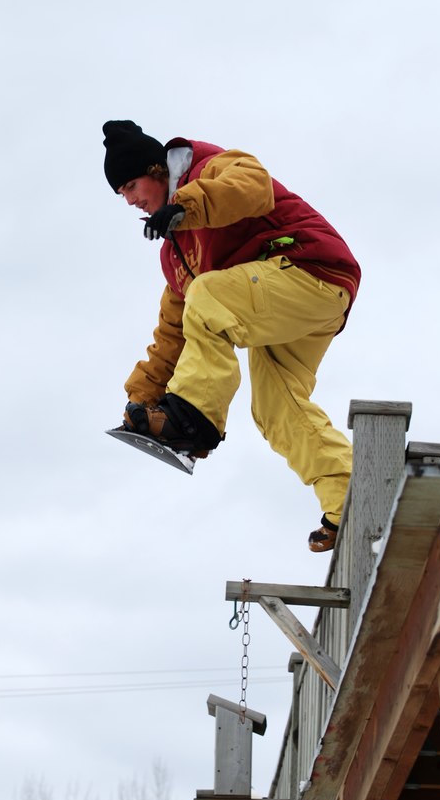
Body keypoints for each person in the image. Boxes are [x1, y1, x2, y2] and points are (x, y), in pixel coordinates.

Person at [102, 120, 361, 553]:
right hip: (285, 306)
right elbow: (173, 332)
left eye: (131, 185)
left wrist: (184, 204)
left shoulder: (209, 166)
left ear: (157, 169)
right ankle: (347, 495)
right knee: (275, 408)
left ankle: (194, 420)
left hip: (309, 266)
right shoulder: (177, 251)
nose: (130, 200)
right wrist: (141, 397)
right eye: (122, 195)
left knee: (208, 295)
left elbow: (254, 185)